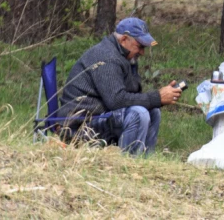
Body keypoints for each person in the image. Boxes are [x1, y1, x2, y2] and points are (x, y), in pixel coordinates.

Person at [58, 17, 182, 155]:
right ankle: (128, 163)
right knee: (138, 113)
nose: (142, 52)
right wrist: (157, 97)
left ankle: (145, 160)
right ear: (124, 39)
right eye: (140, 46)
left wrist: (159, 97)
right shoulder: (107, 57)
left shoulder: (124, 56)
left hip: (99, 115)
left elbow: (132, 93)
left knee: (153, 111)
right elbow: (116, 100)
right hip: (79, 125)